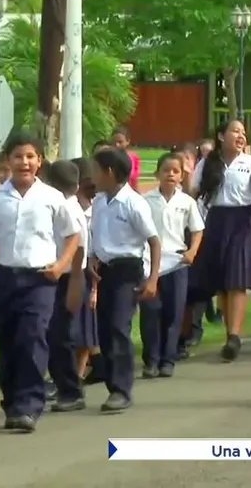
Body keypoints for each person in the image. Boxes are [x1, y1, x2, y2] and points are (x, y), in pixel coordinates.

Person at [0, 132, 81, 432]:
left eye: (30, 156)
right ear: (8, 161)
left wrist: (61, 265)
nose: (24, 162)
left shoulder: (52, 198)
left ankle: (28, 406)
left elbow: (73, 235)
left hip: (40, 280)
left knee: (32, 338)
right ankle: (13, 400)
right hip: (3, 278)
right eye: (18, 156)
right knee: (9, 345)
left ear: (39, 161)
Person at [189, 120, 251, 362]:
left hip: (244, 219)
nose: (241, 135)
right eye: (235, 131)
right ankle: (229, 334)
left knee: (237, 279)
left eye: (243, 132)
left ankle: (234, 337)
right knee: (222, 283)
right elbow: (193, 193)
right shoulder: (207, 163)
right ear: (221, 135)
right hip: (216, 220)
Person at [89, 146, 161, 412]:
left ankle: (121, 389)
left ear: (109, 172)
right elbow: (96, 234)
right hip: (105, 269)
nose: (92, 175)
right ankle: (112, 383)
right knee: (105, 329)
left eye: (96, 170)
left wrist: (152, 278)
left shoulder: (133, 203)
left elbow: (153, 241)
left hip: (127, 269)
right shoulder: (98, 201)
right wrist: (92, 259)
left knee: (119, 326)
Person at [139, 153, 204, 378]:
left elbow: (197, 229)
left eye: (175, 171)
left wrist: (192, 251)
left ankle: (168, 359)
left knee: (173, 313)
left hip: (177, 263)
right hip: (150, 264)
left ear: (181, 175)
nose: (170, 175)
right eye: (166, 170)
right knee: (150, 313)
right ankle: (151, 360)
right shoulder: (146, 200)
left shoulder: (187, 202)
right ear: (157, 173)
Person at [44, 160, 90, 414]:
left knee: (60, 337)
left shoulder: (68, 209)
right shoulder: (69, 206)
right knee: (55, 335)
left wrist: (74, 285)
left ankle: (70, 390)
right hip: (63, 275)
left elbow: (79, 250)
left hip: (70, 276)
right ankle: (65, 386)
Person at [71, 158, 103, 382]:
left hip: (88, 273)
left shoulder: (98, 209)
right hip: (69, 271)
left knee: (84, 329)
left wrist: (94, 289)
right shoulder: (68, 207)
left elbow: (95, 251)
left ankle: (77, 375)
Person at [111, 127, 141, 191]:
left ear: (128, 141)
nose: (117, 145)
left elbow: (134, 181)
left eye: (120, 142)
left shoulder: (134, 158)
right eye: (114, 142)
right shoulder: (107, 158)